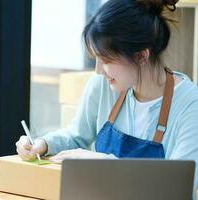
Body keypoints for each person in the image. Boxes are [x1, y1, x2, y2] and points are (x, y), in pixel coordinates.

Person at [16, 0, 198, 194]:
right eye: (96, 59)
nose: (98, 70)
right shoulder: (103, 85)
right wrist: (43, 144)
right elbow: (76, 136)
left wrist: (102, 162)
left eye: (106, 60)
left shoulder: (190, 105)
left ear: (141, 56)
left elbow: (176, 187)